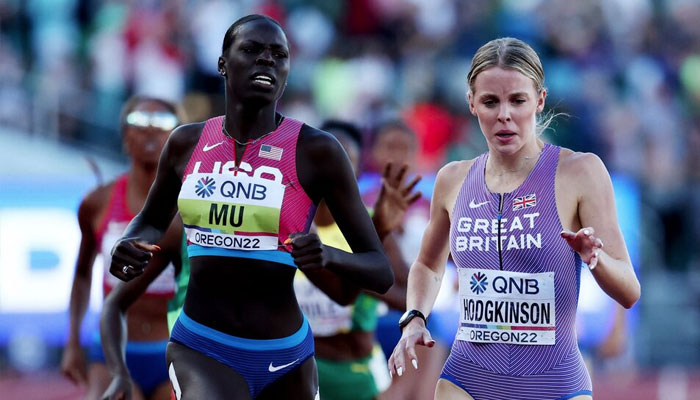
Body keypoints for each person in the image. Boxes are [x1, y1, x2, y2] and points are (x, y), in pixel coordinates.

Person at [109, 14, 393, 400]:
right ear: (223, 63)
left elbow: (379, 270)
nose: (267, 61)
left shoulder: (318, 151)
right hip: (201, 346)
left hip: (286, 356)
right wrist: (129, 242)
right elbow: (150, 222)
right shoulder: (185, 144)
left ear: (289, 71)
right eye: (252, 50)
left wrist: (327, 255)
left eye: (279, 55)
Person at [388, 37, 641, 400]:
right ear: (472, 103)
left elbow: (629, 291)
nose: (504, 114)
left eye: (517, 100)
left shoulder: (580, 172)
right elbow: (428, 266)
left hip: (555, 384)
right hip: (467, 381)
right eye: (491, 101)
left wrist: (595, 260)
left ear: (539, 100)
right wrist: (414, 317)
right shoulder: (452, 179)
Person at [60, 96, 184, 400]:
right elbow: (82, 273)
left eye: (163, 123)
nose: (151, 131)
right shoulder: (97, 202)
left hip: (171, 348)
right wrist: (73, 341)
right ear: (125, 136)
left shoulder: (191, 206)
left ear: (176, 137)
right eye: (140, 122)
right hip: (113, 347)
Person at [293, 120, 418, 400]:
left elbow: (412, 299)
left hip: (359, 372)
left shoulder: (372, 226)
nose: (333, 170)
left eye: (345, 161)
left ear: (358, 170)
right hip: (302, 367)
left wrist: (364, 274)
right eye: (324, 159)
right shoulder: (289, 225)